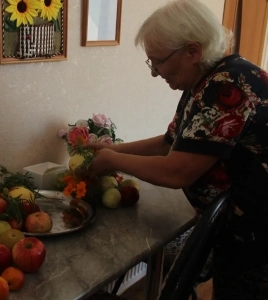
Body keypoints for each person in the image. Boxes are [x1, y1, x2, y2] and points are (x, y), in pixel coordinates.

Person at [87, 0, 268, 299]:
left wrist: (112, 161)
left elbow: (177, 172)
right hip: (238, 225)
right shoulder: (203, 81)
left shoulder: (227, 85)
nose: (155, 73)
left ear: (193, 51)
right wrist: (111, 149)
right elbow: (168, 143)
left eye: (157, 62)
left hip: (257, 234)